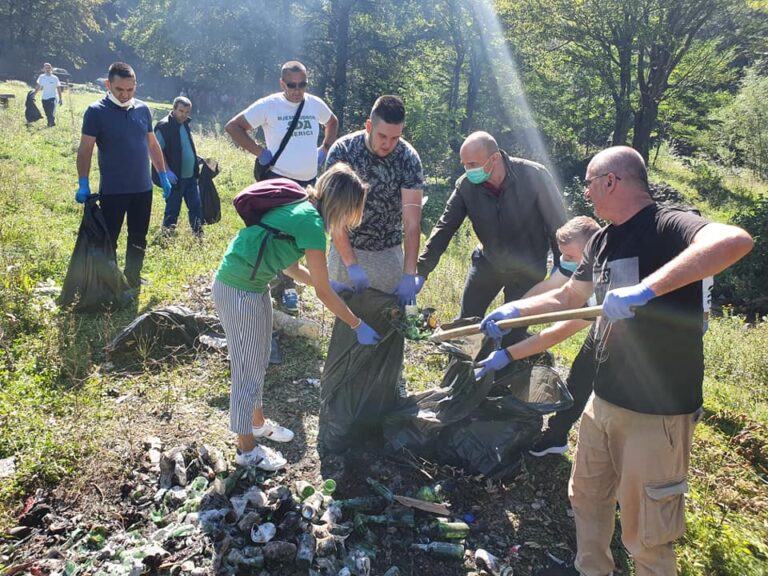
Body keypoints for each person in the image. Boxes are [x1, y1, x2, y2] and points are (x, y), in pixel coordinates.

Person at [479, 146, 753, 576]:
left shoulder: (667, 224)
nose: (587, 194)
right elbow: (570, 296)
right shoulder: (603, 240)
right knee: (587, 500)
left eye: (589, 184)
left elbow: (734, 240)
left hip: (656, 409)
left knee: (648, 533)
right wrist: (517, 311)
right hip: (603, 401)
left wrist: (646, 289)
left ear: (611, 181)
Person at [212, 163, 380, 469]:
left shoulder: (302, 207)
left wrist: (325, 281)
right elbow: (324, 295)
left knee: (259, 357)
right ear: (342, 205)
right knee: (246, 369)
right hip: (238, 290)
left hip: (252, 286)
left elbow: (288, 265)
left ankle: (257, 422)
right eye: (352, 211)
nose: (349, 221)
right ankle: (246, 450)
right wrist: (357, 324)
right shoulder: (312, 224)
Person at [417, 131, 567, 345]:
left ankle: (504, 371)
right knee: (465, 326)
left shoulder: (534, 176)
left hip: (528, 269)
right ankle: (463, 373)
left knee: (512, 332)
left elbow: (558, 225)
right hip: (488, 262)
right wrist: (421, 271)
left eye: (472, 164)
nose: (468, 171)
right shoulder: (466, 186)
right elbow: (444, 228)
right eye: (464, 165)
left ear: (495, 158)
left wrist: (562, 268)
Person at [475, 216, 600, 456]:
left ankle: (558, 436)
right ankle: (557, 437)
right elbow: (551, 287)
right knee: (581, 372)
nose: (565, 261)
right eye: (563, 255)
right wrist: (513, 313)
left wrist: (507, 354)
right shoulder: (578, 261)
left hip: (632, 336)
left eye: (571, 257)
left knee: (587, 374)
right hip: (605, 320)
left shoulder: (600, 284)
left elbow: (554, 334)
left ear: (591, 250)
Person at [226, 60, 338, 315]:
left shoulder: (314, 104)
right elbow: (234, 127)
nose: (297, 90)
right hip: (278, 182)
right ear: (282, 83)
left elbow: (332, 121)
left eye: (302, 84)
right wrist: (259, 152)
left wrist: (326, 147)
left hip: (307, 183)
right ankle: (279, 286)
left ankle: (288, 283)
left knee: (301, 235)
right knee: (280, 235)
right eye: (292, 85)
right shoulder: (270, 105)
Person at [76, 62, 173, 289]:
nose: (124, 94)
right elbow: (85, 149)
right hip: (113, 190)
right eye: (119, 89)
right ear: (109, 84)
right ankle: (108, 281)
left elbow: (152, 143)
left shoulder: (142, 109)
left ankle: (133, 276)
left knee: (138, 236)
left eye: (130, 90)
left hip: (142, 189)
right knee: (110, 238)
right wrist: (83, 183)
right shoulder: (96, 112)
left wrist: (163, 174)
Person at [326, 95, 424, 306]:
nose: (388, 144)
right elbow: (333, 215)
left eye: (395, 138)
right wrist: (351, 264)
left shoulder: (408, 158)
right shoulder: (343, 151)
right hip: (346, 246)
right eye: (382, 136)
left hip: (387, 251)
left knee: (391, 319)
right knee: (347, 322)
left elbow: (412, 222)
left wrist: (409, 273)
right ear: (369, 125)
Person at [153, 96, 203, 238]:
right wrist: (167, 171)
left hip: (191, 176)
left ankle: (198, 236)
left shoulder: (185, 124)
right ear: (174, 109)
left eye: (187, 112)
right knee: (173, 210)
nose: (184, 115)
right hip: (175, 177)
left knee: (196, 207)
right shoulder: (164, 126)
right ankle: (167, 237)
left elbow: (184, 146)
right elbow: (158, 151)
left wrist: (195, 159)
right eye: (181, 111)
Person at [33, 63, 63, 127]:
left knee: (51, 112)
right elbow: (38, 86)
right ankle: (51, 122)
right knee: (47, 112)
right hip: (44, 97)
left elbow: (59, 88)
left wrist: (60, 99)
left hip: (53, 97)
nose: (47, 69)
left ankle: (50, 124)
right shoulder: (41, 77)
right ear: (43, 69)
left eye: (49, 68)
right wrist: (34, 95)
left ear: (51, 68)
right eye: (46, 68)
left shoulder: (55, 78)